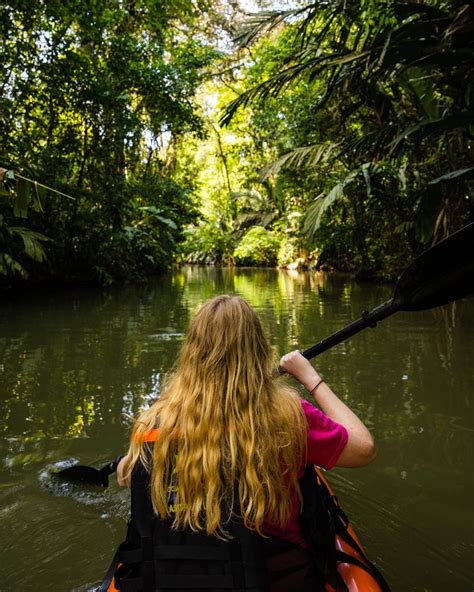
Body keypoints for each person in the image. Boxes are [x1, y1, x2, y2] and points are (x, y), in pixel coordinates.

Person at [111, 295, 376, 591]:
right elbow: (363, 448)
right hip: (274, 575)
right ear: (259, 349)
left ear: (191, 353)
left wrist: (130, 461)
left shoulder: (155, 423)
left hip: (176, 571)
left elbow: (127, 477)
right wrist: (310, 377)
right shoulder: (288, 416)